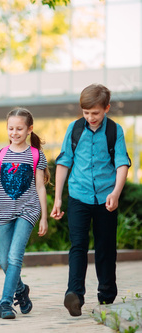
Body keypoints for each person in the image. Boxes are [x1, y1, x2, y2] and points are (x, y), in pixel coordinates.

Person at [51, 84, 130, 317]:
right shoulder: (74, 129)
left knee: (105, 246)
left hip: (106, 197)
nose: (90, 117)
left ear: (106, 108)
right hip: (78, 196)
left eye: (95, 113)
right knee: (78, 245)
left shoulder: (115, 130)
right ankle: (74, 294)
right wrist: (58, 198)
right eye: (86, 113)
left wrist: (115, 193)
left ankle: (106, 294)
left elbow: (122, 163)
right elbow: (64, 162)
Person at [0, 107, 49, 319]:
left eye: (19, 129)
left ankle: (5, 302)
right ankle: (21, 289)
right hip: (3, 210)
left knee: (14, 256)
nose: (14, 132)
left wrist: (44, 217)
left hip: (27, 210)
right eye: (11, 128)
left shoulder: (36, 155)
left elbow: (40, 187)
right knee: (4, 261)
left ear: (29, 129)